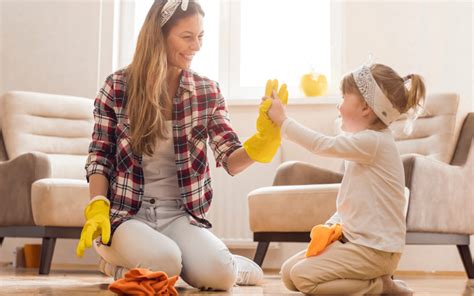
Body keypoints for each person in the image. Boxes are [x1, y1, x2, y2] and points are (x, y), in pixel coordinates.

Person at [75, 0, 287, 291]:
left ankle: (221, 263)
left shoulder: (206, 91)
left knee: (221, 278)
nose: (196, 46)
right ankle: (117, 261)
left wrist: (263, 141)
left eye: (200, 37)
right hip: (127, 215)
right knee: (167, 263)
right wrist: (97, 205)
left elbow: (230, 159)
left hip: (178, 215)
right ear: (158, 35)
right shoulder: (118, 86)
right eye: (187, 37)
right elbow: (100, 155)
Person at [267, 63, 425, 295]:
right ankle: (376, 283)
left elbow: (322, 144)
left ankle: (380, 286)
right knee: (289, 273)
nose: (338, 105)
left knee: (302, 277)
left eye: (343, 97)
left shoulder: (374, 142)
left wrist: (284, 122)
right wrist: (332, 226)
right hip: (356, 243)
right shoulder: (363, 145)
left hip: (376, 250)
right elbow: (354, 200)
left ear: (365, 108)